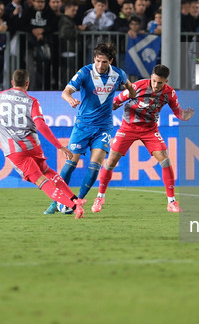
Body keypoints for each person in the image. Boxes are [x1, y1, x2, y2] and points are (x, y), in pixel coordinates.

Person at [0, 69, 86, 219]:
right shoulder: (32, 101)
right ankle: (74, 199)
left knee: (42, 181)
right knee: (47, 172)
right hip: (32, 146)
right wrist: (60, 146)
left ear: (12, 82)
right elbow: (41, 125)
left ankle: (74, 207)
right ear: (27, 83)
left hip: (15, 151)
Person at [44, 42, 136, 217]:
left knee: (95, 167)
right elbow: (66, 91)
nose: (101, 66)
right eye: (98, 61)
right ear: (94, 59)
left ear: (111, 61)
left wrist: (126, 96)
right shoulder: (85, 72)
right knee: (70, 164)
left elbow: (131, 90)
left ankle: (76, 202)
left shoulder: (118, 74)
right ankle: (56, 201)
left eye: (104, 62)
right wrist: (70, 99)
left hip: (104, 128)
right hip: (83, 126)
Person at [93, 64, 195, 213]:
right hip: (128, 128)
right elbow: (116, 101)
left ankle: (171, 202)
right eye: (153, 81)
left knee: (165, 159)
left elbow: (177, 112)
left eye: (159, 83)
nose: (155, 85)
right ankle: (99, 198)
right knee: (111, 161)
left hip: (149, 129)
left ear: (166, 81)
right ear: (151, 77)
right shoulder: (137, 86)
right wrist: (109, 107)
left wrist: (184, 116)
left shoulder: (170, 93)